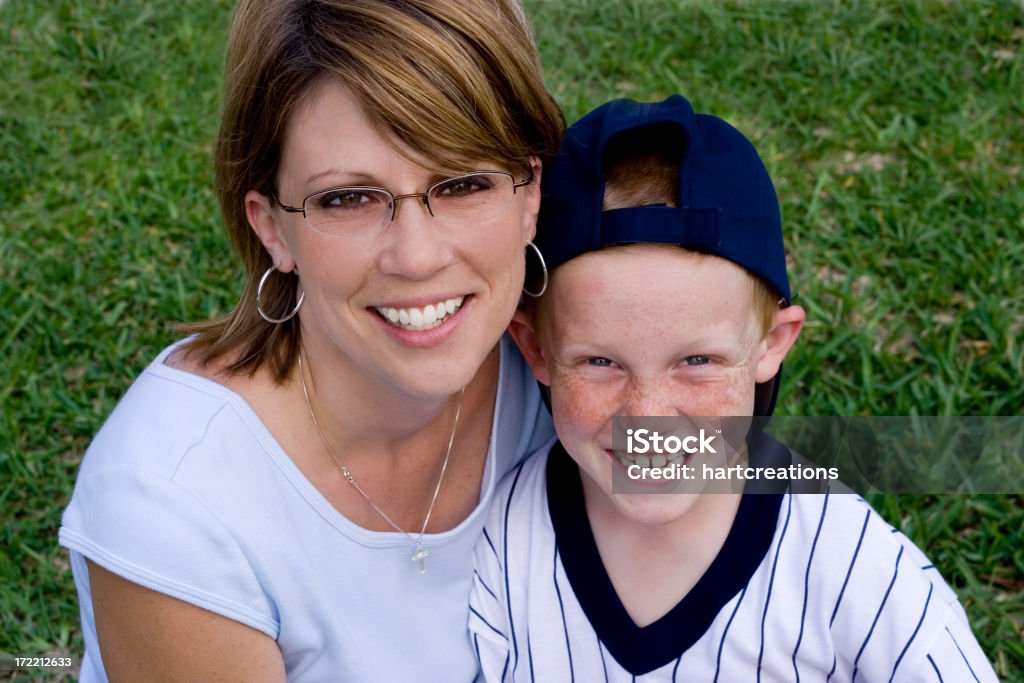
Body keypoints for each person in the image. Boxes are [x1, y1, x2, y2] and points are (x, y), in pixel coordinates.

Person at [58, 1, 563, 680]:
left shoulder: (580, 353)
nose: (416, 257)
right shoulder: (169, 506)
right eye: (348, 198)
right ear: (271, 227)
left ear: (530, 191)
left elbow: (741, 469)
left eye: (464, 183)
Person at [468, 95, 998, 681]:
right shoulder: (501, 538)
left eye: (696, 360)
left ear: (772, 343)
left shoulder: (848, 563)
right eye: (600, 362)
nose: (647, 415)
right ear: (535, 348)